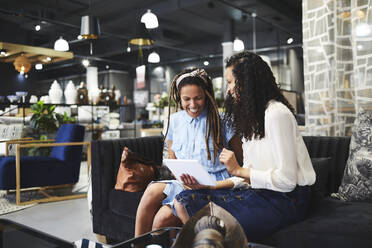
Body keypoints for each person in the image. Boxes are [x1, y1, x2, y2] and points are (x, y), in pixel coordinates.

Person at [174, 51, 316, 242]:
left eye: (231, 82)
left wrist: (238, 170)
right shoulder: (250, 118)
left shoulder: (276, 114)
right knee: (183, 199)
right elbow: (247, 176)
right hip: (259, 191)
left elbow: (287, 181)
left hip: (288, 199)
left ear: (248, 82)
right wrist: (210, 185)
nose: (228, 90)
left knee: (216, 225)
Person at [134, 68, 242, 237]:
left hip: (217, 184)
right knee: (152, 191)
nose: (192, 104)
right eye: (187, 99)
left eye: (198, 98)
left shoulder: (223, 120)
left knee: (160, 221)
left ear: (206, 95)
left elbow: (240, 163)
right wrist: (184, 179)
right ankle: (136, 244)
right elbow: (173, 160)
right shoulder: (174, 121)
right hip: (186, 183)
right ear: (179, 98)